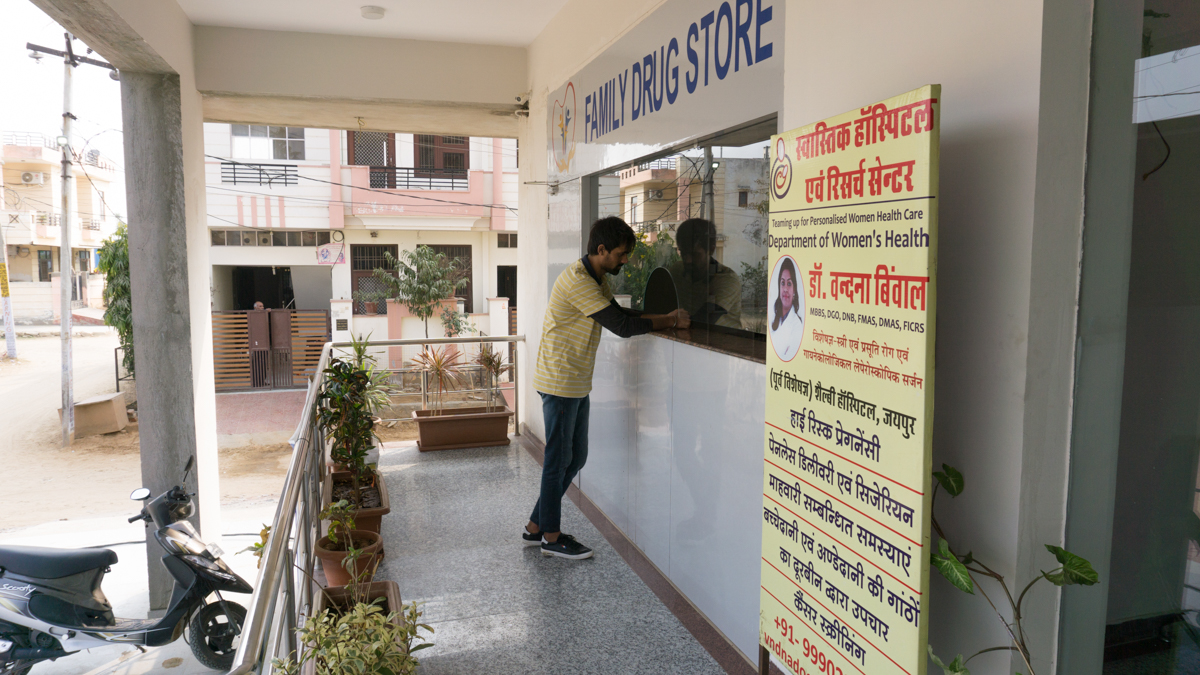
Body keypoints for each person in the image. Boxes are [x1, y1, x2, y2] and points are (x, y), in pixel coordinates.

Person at [527, 216, 690, 559]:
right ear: (601, 250)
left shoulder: (594, 276)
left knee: (576, 456)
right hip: (560, 381)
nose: (625, 260)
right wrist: (670, 319)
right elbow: (620, 326)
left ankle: (536, 526)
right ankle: (551, 538)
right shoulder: (578, 281)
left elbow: (620, 313)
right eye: (621, 254)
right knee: (558, 461)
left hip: (573, 380)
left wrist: (662, 316)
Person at [667, 218, 742, 329]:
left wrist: (668, 319)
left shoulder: (727, 280)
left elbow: (702, 321)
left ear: (711, 250)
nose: (688, 260)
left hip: (721, 344)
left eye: (694, 254)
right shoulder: (677, 271)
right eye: (684, 253)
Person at [770, 257, 803, 360]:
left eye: (789, 284)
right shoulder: (773, 317)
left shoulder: (797, 326)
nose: (785, 289)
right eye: (782, 283)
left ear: (794, 290)